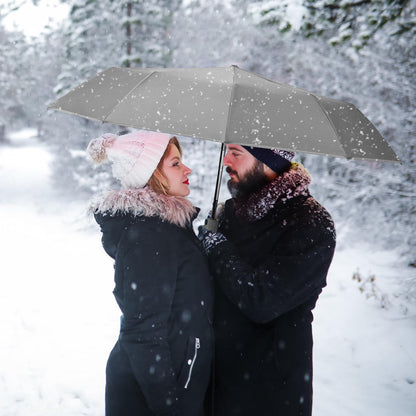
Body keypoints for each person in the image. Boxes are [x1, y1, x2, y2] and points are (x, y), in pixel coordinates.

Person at [199, 144, 336, 416]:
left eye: (236, 153)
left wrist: (218, 248)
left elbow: (261, 300)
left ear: (269, 161)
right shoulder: (228, 212)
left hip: (269, 391)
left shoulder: (311, 222)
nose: (226, 160)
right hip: (216, 381)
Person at [87, 130, 214, 416]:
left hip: (172, 379)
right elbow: (142, 333)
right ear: (151, 174)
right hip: (153, 393)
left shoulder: (168, 228)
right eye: (175, 163)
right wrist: (172, 407)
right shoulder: (149, 235)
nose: (187, 169)